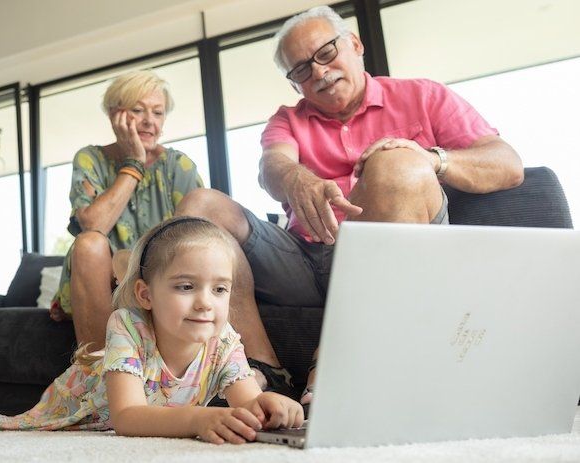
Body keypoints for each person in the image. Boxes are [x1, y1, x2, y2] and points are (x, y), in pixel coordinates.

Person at [176, 5, 524, 406]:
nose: (319, 73)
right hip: (305, 259)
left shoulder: (423, 95)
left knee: (397, 164)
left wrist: (430, 159)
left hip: (390, 252)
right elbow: (272, 166)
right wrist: (294, 177)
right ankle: (263, 370)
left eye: (326, 53)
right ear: (294, 85)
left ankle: (336, 358)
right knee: (200, 205)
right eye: (302, 70)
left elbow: (508, 164)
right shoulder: (287, 120)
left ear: (355, 45)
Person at [0, 217, 303, 443]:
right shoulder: (128, 325)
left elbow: (247, 402)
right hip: (78, 407)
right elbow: (127, 417)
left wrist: (271, 406)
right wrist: (197, 419)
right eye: (186, 286)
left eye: (220, 289)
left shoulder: (223, 341)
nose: (206, 303)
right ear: (145, 295)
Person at [48, 70, 204, 353]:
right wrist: (134, 164)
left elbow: (199, 245)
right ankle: (98, 374)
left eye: (157, 113)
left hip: (161, 279)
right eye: (137, 110)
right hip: (101, 278)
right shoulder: (90, 159)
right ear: (114, 115)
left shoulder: (178, 167)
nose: (149, 121)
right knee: (89, 243)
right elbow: (93, 226)